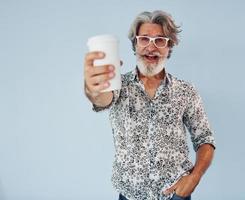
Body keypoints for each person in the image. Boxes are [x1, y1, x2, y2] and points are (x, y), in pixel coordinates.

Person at [84, 10, 216, 200]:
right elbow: (101, 99)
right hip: (129, 196)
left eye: (160, 40)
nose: (151, 47)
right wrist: (92, 88)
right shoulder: (118, 86)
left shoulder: (186, 91)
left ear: (169, 47)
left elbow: (205, 139)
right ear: (135, 44)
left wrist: (194, 178)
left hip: (176, 196)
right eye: (144, 39)